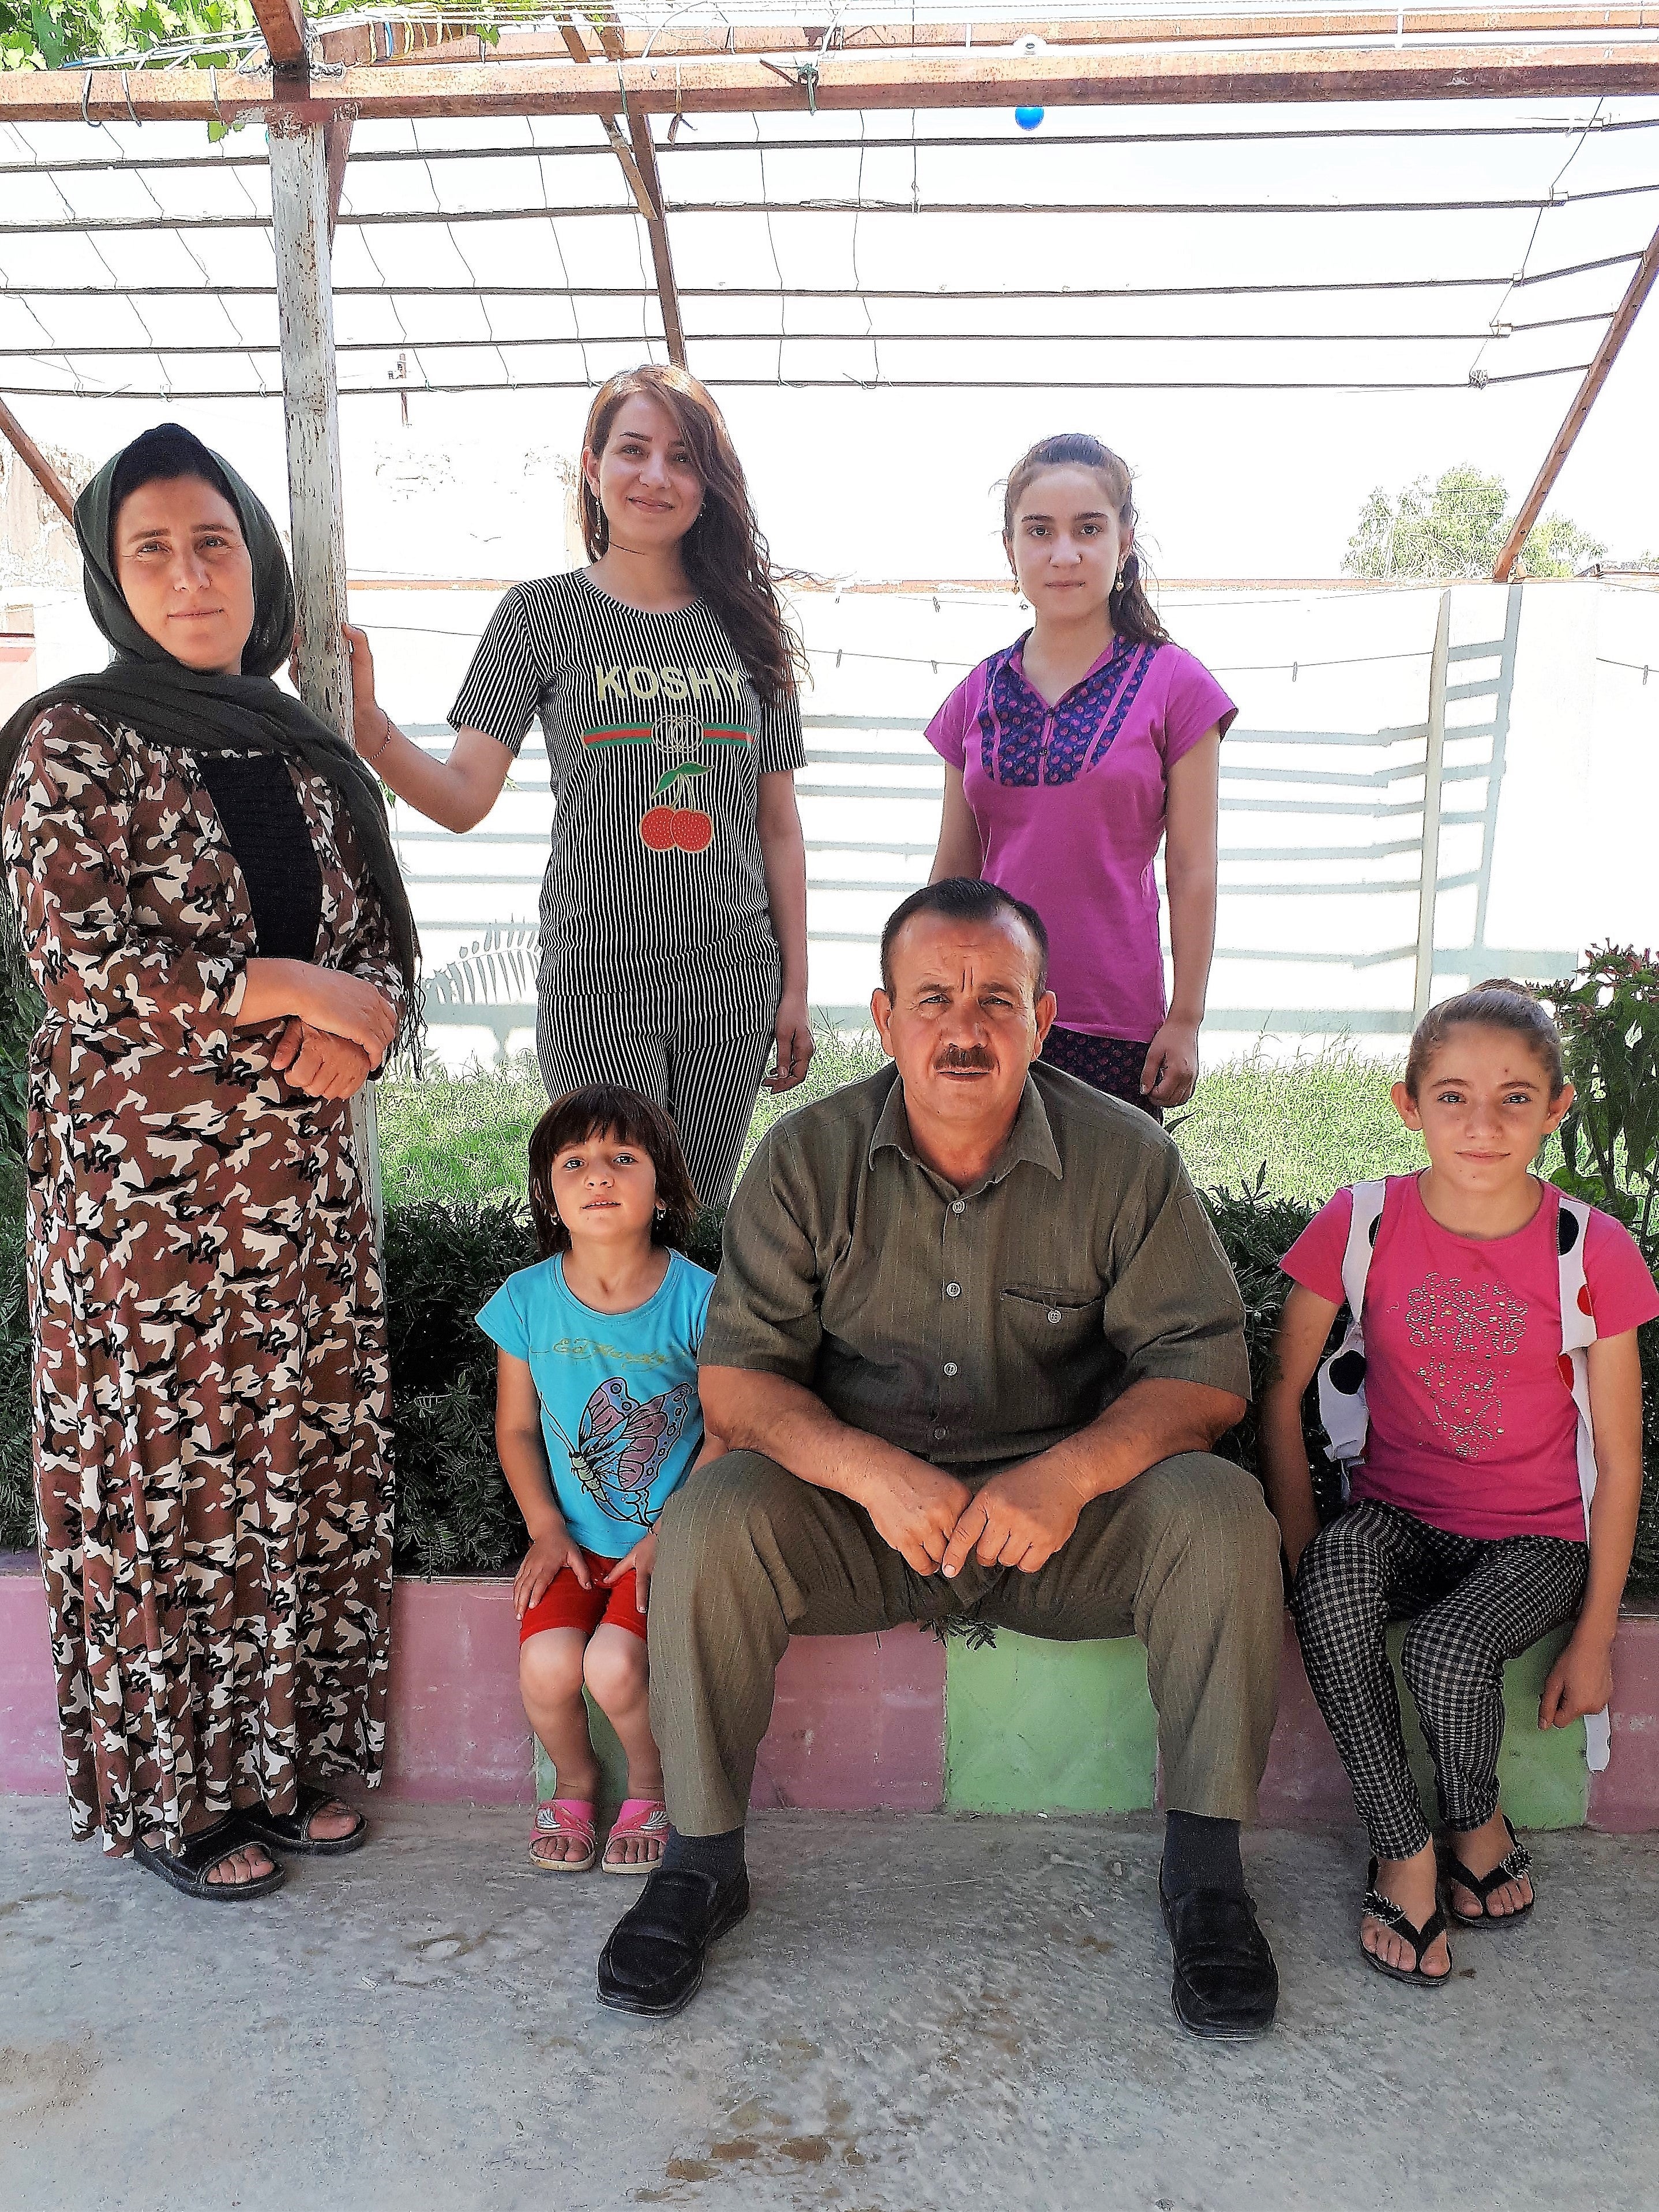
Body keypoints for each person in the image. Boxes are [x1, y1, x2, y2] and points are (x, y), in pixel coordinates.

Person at [596, 876, 1286, 2034]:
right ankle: (701, 1863)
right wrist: (866, 1471)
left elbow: (1207, 1372)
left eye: (994, 1001)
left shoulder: (1126, 1161)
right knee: (714, 1519)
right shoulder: (804, 1161)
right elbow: (739, 1384)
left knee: (1220, 1515)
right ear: (882, 1018)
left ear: (1044, 1016)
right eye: (932, 999)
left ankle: (1208, 1879)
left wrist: (1068, 1477)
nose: (962, 1028)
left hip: (1059, 1529)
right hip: (861, 1520)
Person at [1, 423, 421, 1898]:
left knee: (289, 1467)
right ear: (116, 578)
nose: (190, 574)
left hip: (294, 1196)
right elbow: (84, 971)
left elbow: (374, 951)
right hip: (147, 1215)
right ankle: (182, 1799)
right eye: (154, 549)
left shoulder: (300, 744)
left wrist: (359, 1028)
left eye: (215, 541)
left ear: (259, 560)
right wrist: (302, 995)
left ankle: (289, 1766)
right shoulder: (72, 740)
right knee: (174, 1485)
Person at [337, 363, 813, 1208]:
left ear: (710, 484)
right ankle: (576, 1347)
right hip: (599, 969)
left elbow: (777, 825)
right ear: (591, 468)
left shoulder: (750, 623)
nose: (655, 476)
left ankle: (682, 1350)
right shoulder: (539, 615)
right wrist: (369, 725)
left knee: (689, 1213)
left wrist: (795, 989)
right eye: (633, 450)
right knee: (605, 1212)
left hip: (732, 973)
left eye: (683, 457)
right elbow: (462, 795)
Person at [1260, 983, 1657, 1987]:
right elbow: (1281, 1392)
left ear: (1557, 1107)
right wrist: (1309, 1556)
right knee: (1339, 1579)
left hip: (1536, 1538)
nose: (1482, 1123)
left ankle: (1473, 1815)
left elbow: (1617, 1453)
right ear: (1408, 1104)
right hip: (1396, 1512)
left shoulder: (1589, 1248)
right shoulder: (1361, 1222)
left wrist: (1597, 1633)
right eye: (1452, 1095)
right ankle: (1406, 1844)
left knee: (1446, 1648)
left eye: (1515, 1097)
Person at [925, 432, 1233, 1120]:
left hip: (1114, 1024)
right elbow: (952, 870)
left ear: (1123, 541)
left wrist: (1184, 1018)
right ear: (1010, 549)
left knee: (1103, 1222)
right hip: (987, 1013)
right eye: (1039, 531)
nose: (1063, 553)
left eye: (1086, 529)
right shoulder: (974, 694)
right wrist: (927, 1001)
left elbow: (1191, 869)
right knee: (975, 1218)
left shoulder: (1175, 686)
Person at [478, 1083, 725, 1877]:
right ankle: (577, 1781)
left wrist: (671, 1534)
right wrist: (546, 1528)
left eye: (624, 1157)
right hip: (574, 1540)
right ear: (548, 1190)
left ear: (665, 1184)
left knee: (612, 1666)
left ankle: (652, 1782)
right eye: (574, 1161)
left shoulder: (698, 1298)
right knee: (548, 1667)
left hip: (666, 1544)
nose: (599, 1175)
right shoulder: (526, 1300)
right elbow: (515, 1427)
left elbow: (729, 1426)